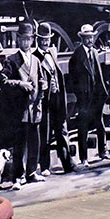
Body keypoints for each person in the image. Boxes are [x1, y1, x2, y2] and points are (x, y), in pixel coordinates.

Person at [0, 22, 48, 188]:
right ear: (18, 40)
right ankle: (18, 176)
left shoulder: (35, 60)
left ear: (32, 40)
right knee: (20, 143)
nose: (26, 43)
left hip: (35, 109)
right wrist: (20, 83)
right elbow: (1, 81)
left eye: (29, 40)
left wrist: (43, 84)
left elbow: (42, 79)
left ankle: (32, 172)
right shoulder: (11, 60)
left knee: (34, 141)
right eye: (23, 40)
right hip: (20, 110)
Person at [34, 22, 77, 175]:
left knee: (62, 132)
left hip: (58, 99)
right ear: (37, 40)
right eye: (42, 39)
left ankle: (68, 163)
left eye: (47, 39)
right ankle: (45, 166)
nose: (45, 42)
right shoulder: (34, 57)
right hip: (45, 101)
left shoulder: (52, 53)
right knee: (44, 134)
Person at [68, 24, 110, 166]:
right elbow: (72, 79)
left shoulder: (94, 52)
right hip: (84, 97)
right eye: (87, 38)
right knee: (83, 127)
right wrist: (79, 94)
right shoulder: (76, 56)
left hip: (96, 96)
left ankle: (103, 151)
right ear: (82, 38)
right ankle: (84, 158)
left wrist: (103, 92)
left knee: (100, 124)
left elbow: (98, 74)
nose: (90, 40)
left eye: (91, 37)